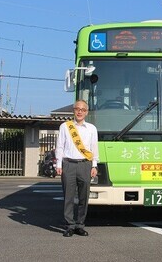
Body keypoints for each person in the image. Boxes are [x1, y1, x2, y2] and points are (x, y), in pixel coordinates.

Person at [55, 100, 99, 237]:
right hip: (68, 164)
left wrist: (94, 165)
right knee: (68, 197)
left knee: (83, 197)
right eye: (77, 109)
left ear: (86, 112)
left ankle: (80, 225)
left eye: (83, 109)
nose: (79, 111)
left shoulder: (92, 128)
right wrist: (59, 164)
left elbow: (94, 148)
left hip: (85, 165)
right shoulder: (65, 126)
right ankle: (69, 225)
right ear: (73, 110)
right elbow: (60, 146)